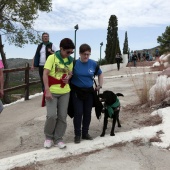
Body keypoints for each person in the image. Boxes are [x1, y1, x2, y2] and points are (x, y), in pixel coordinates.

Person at [43, 38, 75, 149]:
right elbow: (45, 74)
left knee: (62, 116)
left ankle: (58, 138)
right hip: (52, 91)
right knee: (51, 116)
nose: (69, 54)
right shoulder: (52, 58)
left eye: (71, 52)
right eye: (68, 52)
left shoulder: (70, 60)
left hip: (65, 91)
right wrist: (46, 90)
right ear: (61, 49)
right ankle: (48, 137)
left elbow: (69, 73)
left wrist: (69, 77)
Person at [70, 43, 103, 144]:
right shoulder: (74, 63)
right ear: (79, 53)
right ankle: (77, 135)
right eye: (84, 54)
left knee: (87, 113)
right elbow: (68, 75)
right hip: (77, 92)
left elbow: (100, 73)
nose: (86, 56)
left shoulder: (93, 64)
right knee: (78, 113)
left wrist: (100, 85)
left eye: (88, 54)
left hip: (89, 92)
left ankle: (85, 133)